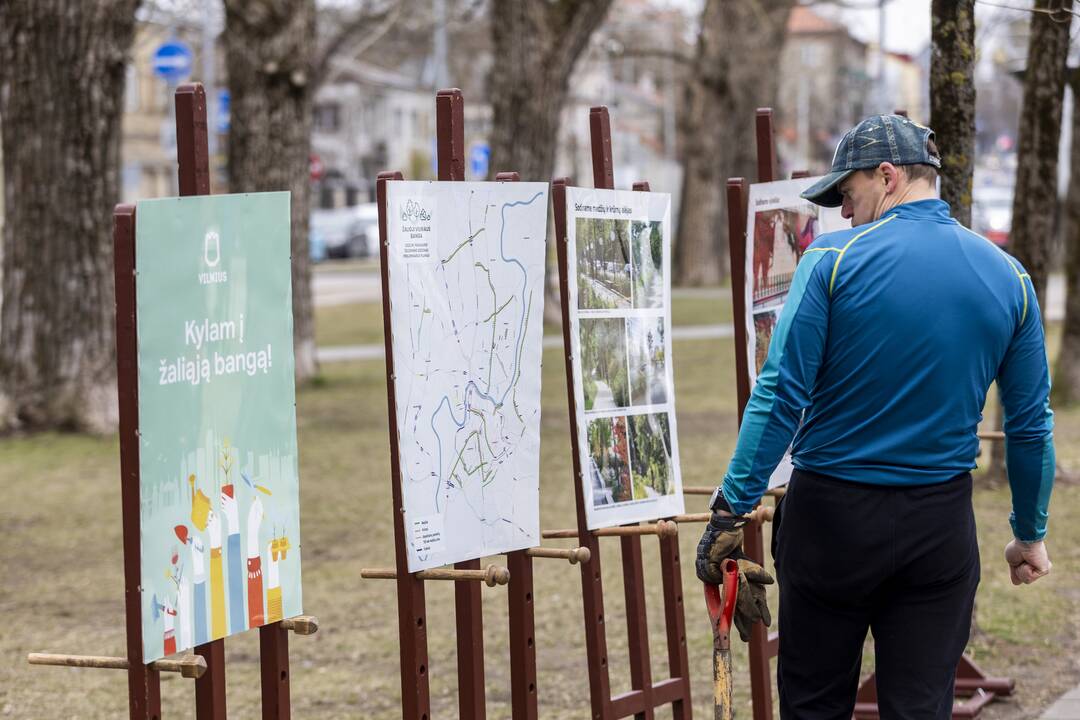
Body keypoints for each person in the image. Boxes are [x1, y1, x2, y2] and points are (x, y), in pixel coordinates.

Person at [696, 114, 1055, 719]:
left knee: (813, 705)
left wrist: (730, 508)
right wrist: (1028, 533)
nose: (842, 209)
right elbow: (1029, 424)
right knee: (920, 709)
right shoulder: (1009, 276)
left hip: (831, 522)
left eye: (848, 191)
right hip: (939, 526)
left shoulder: (832, 259)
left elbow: (781, 393)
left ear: (887, 176)